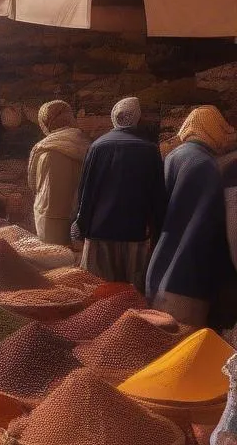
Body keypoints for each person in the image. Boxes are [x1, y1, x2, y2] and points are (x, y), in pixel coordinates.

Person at [146, 105, 236, 326]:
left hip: (158, 271)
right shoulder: (208, 166)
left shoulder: (173, 157)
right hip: (190, 281)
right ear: (212, 129)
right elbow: (211, 231)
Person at [73, 97, 166, 292]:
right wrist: (158, 232)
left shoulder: (98, 147)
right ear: (137, 118)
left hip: (99, 233)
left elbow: (86, 192)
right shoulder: (149, 149)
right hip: (135, 232)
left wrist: (80, 225)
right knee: (130, 294)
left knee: (99, 294)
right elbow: (157, 196)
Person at [27, 100, 89, 246]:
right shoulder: (87, 145)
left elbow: (33, 184)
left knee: (54, 262)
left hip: (49, 219)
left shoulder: (43, 149)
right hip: (80, 218)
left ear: (46, 122)